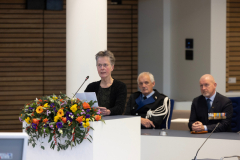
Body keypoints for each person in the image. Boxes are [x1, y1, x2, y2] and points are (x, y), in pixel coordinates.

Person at [84, 50, 127, 116]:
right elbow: (84, 106)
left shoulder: (120, 86)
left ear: (112, 67)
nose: (102, 68)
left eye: (105, 65)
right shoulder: (91, 87)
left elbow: (120, 108)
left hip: (113, 123)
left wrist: (108, 111)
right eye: (99, 65)